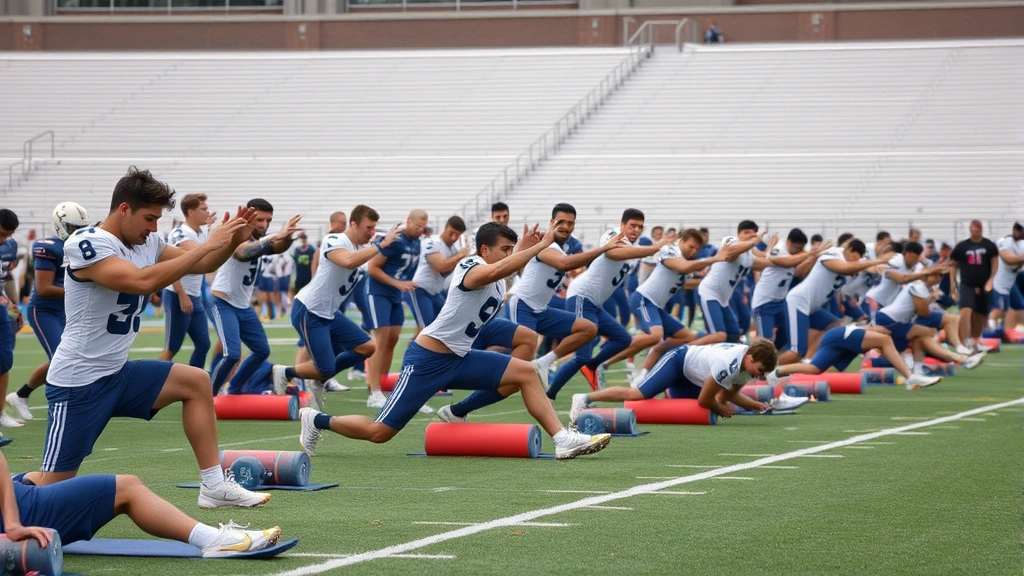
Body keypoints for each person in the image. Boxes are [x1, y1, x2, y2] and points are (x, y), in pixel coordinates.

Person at [22, 167, 269, 511]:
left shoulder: (147, 241)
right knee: (49, 498)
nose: (154, 228)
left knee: (196, 381)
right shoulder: (86, 242)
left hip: (117, 374)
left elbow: (201, 263)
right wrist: (208, 244)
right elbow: (140, 282)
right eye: (149, 218)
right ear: (124, 209)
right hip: (79, 383)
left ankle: (213, 485)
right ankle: (16, 488)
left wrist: (232, 242)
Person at [297, 222, 611, 461]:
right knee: (381, 433)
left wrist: (521, 252)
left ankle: (562, 440)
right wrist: (537, 246)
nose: (508, 254)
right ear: (484, 250)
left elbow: (504, 269)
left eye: (510, 248)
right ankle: (317, 419)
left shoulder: (500, 276)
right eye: (504, 248)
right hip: (427, 361)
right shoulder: (469, 266)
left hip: (459, 358)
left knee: (525, 372)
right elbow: (497, 269)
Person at [0, 451, 281, 557]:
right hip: (19, 511)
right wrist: (12, 523)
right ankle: (213, 541)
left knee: (35, 477)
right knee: (127, 487)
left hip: (13, 497)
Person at [271, 206, 394, 410]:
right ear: (353, 224)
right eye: (368, 227)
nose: (372, 233)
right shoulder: (335, 240)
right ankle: (286, 372)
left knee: (368, 347)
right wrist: (380, 246)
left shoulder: (361, 248)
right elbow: (346, 261)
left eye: (374, 229)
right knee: (324, 368)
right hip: (310, 310)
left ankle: (318, 379)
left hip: (329, 313)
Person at [546, 209, 675, 398]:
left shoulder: (635, 246)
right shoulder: (613, 235)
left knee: (623, 338)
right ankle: (550, 393)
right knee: (582, 354)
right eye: (632, 225)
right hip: (581, 296)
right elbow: (614, 253)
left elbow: (655, 260)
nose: (636, 230)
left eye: (640, 227)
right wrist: (657, 247)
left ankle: (592, 365)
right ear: (622, 225)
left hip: (595, 303)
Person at [603, 228, 731, 383]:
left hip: (655, 306)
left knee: (683, 336)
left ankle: (642, 376)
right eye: (691, 246)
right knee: (656, 336)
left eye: (697, 249)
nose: (694, 251)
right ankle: (607, 355)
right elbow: (683, 267)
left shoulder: (685, 260)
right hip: (643, 299)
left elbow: (686, 281)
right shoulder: (671, 251)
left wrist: (714, 283)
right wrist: (716, 258)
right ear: (681, 241)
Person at [6, 203, 91, 425]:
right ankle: (63, 405)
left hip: (65, 311)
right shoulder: (49, 246)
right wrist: (81, 290)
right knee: (62, 359)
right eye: (72, 226)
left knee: (65, 356)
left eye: (80, 227)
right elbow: (44, 289)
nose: (76, 231)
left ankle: (21, 395)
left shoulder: (80, 244)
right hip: (44, 311)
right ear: (61, 225)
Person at [209, 199, 301, 397]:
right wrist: (277, 235)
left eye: (268, 220)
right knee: (232, 354)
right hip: (223, 302)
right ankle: (208, 394)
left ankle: (234, 388)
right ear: (248, 217)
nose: (264, 225)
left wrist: (287, 236)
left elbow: (278, 247)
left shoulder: (261, 240)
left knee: (261, 350)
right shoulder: (235, 233)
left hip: (243, 306)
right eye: (260, 219)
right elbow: (242, 253)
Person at [569, 340, 778, 424]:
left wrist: (755, 405)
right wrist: (722, 408)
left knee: (718, 401)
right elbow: (706, 400)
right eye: (759, 370)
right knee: (639, 394)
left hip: (692, 374)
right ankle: (585, 398)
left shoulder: (746, 361)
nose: (759, 376)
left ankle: (670, 391)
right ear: (750, 358)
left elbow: (728, 395)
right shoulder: (728, 364)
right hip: (679, 361)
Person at [780, 239, 892, 364]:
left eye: (856, 259)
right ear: (848, 249)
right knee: (797, 351)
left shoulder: (850, 262)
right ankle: (773, 373)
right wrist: (879, 260)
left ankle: (809, 361)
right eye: (853, 256)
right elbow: (844, 268)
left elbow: (852, 272)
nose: (853, 261)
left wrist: (879, 264)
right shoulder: (833, 254)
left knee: (836, 326)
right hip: (798, 302)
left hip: (811, 307)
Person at [365, 209, 428, 409]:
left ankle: (382, 385)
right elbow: (373, 267)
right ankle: (373, 391)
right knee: (381, 340)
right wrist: (397, 283)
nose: (421, 230)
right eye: (418, 226)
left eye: (423, 227)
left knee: (392, 340)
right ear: (408, 222)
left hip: (394, 294)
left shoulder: (417, 242)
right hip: (379, 292)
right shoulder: (396, 240)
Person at [767, 324, 941, 390]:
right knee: (885, 339)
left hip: (836, 336)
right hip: (842, 333)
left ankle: (776, 372)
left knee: (816, 368)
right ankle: (910, 377)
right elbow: (882, 334)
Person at [874, 272, 985, 372]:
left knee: (922, 337)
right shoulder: (917, 287)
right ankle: (961, 358)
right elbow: (923, 312)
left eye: (940, 276)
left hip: (899, 321)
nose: (938, 278)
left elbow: (943, 304)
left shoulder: (928, 288)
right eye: (935, 275)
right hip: (889, 319)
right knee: (927, 334)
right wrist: (931, 299)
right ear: (927, 276)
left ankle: (919, 369)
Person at [158, 194, 214, 368]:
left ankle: (197, 383)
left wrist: (211, 229)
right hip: (177, 295)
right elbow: (171, 264)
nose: (207, 212)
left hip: (194, 295)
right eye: (203, 209)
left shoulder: (200, 232)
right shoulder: (181, 233)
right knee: (172, 347)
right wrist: (181, 293)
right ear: (191, 212)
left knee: (204, 344)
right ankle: (151, 387)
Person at [693, 221, 767, 345]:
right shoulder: (730, 241)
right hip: (709, 293)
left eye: (753, 233)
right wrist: (754, 242)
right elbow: (731, 253)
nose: (750, 236)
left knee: (734, 334)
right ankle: (682, 351)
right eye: (746, 232)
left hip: (724, 299)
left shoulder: (749, 256)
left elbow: (767, 261)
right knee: (719, 335)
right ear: (739, 234)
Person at [751, 228, 819, 351]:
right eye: (797, 248)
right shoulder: (779, 249)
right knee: (765, 341)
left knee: (789, 332)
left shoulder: (796, 255)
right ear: (788, 243)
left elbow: (799, 273)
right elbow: (787, 262)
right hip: (764, 303)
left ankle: (769, 358)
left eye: (801, 248)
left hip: (780, 302)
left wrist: (813, 257)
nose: (799, 251)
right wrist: (809, 254)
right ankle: (754, 360)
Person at [405, 216, 469, 335]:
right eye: (451, 233)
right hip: (420, 289)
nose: (453, 238)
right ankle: (412, 352)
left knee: (446, 324)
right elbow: (440, 266)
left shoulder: (453, 250)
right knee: (425, 329)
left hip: (435, 293)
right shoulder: (432, 242)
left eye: (457, 235)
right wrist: (460, 256)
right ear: (445, 229)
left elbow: (445, 272)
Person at [949, 220, 999, 352]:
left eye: (978, 228)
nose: (976, 230)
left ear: (981, 229)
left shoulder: (989, 245)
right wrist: (952, 285)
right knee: (966, 310)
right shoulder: (962, 246)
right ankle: (963, 343)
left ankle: (976, 340)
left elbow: (995, 263)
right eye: (973, 228)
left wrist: (991, 280)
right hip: (967, 283)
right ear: (970, 229)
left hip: (983, 284)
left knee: (980, 314)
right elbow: (953, 266)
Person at [0, 209, 23, 432]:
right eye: (1, 233)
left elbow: (6, 278)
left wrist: (15, 305)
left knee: (4, 361)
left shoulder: (9, 246)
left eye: (8, 234)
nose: (4, 239)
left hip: (1, 307)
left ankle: (0, 412)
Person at [990, 222, 1024, 334]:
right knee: (1000, 310)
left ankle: (1012, 332)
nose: (1019, 232)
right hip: (999, 282)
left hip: (1011, 281)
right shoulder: (1004, 242)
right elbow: (1009, 259)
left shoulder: (1021, 244)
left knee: (1019, 308)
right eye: (1018, 229)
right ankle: (991, 331)